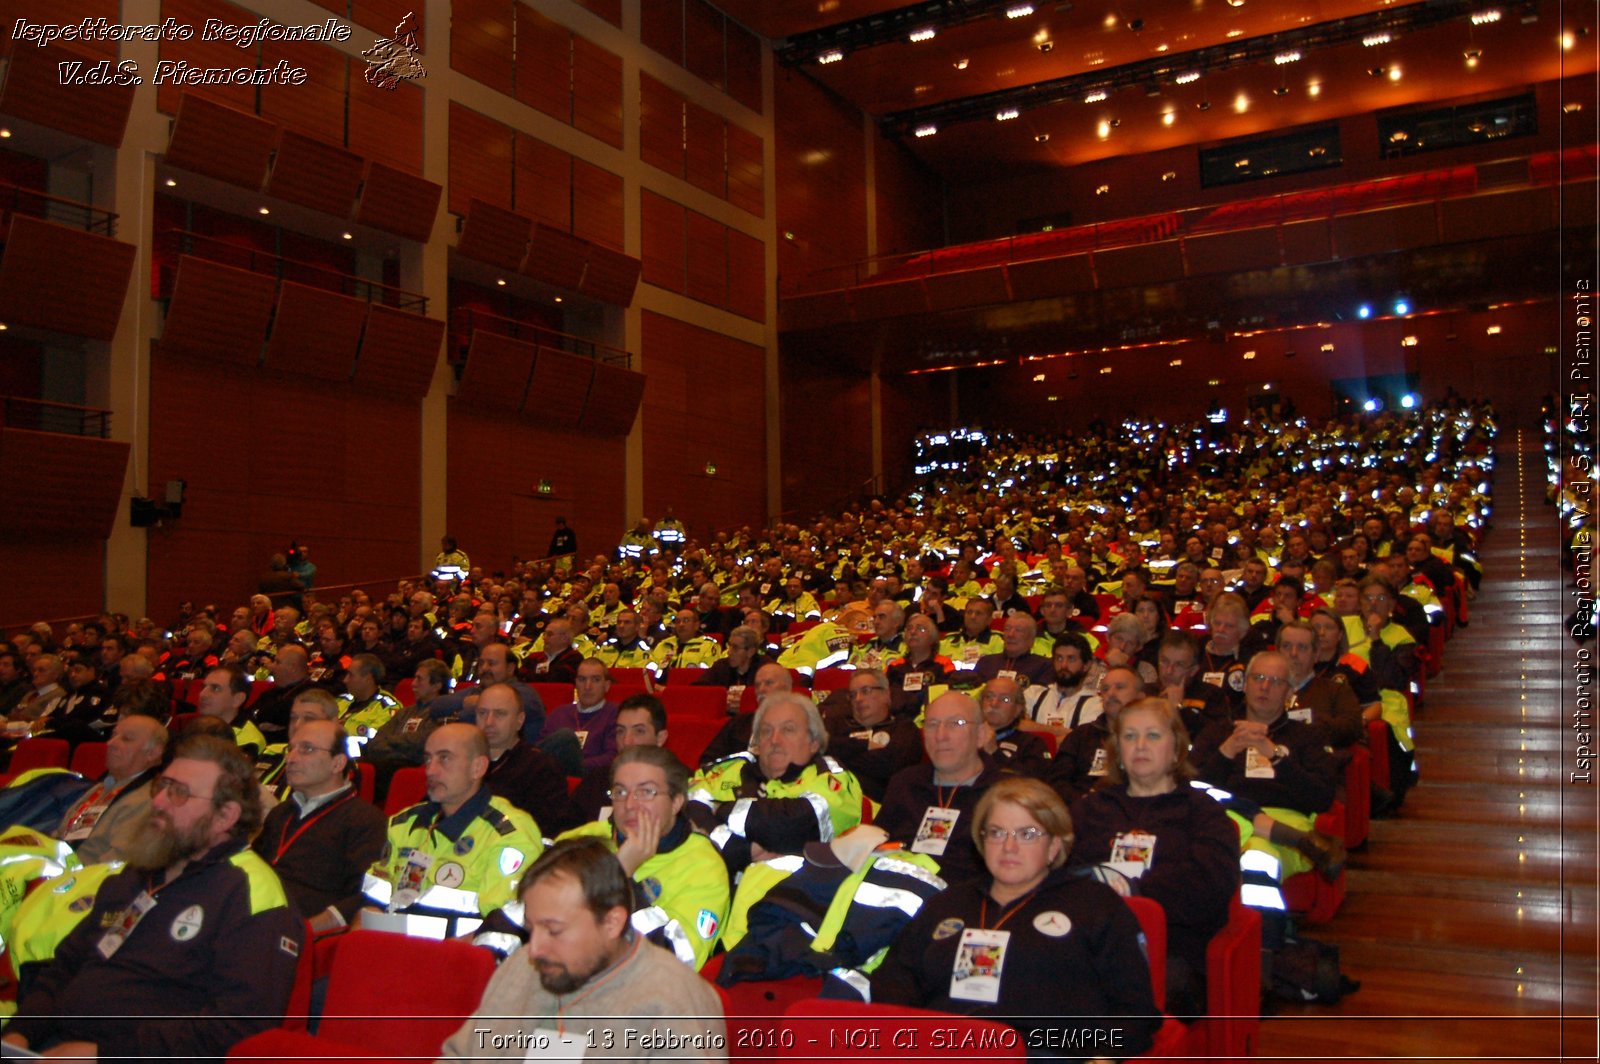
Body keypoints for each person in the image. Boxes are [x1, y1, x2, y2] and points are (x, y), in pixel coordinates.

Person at [3, 735, 304, 1061]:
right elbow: (65, 966)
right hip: (54, 1046)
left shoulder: (252, 892)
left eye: (179, 793)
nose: (159, 801)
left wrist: (102, 1054)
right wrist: (20, 1032)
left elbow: (235, 1028)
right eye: (162, 786)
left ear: (225, 816)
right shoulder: (141, 869)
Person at [871, 776, 1160, 1057]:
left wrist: (1097, 1055)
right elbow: (894, 982)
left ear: (1055, 845)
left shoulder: (1095, 906)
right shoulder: (946, 904)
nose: (1009, 847)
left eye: (1027, 834)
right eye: (997, 832)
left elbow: (1134, 1012)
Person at [434, 837, 725, 1062]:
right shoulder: (522, 967)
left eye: (555, 930)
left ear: (612, 923)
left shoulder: (674, 1002)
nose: (534, 949)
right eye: (531, 928)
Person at [1068, 697, 1238, 1018]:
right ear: (1118, 751)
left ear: (1176, 749)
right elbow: (1061, 873)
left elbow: (1207, 887)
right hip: (1089, 942)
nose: (1140, 745)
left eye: (1153, 736)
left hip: (1172, 951)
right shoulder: (1090, 809)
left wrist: (1128, 887)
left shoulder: (1202, 812)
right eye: (1130, 736)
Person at [362, 723, 546, 943]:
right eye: (428, 759)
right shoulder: (404, 824)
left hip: (465, 965)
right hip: (393, 955)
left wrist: (439, 959)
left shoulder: (510, 834)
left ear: (478, 768)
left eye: (445, 758)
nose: (430, 770)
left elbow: (502, 926)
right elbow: (371, 902)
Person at [555, 746, 729, 970]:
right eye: (620, 792)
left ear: (676, 802)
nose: (630, 805)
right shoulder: (578, 841)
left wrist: (620, 878)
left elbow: (672, 962)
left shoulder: (704, 866)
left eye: (646, 792)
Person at [687, 693, 864, 875]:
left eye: (788, 730)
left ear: (814, 742)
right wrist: (739, 850)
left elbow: (795, 825)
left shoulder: (832, 775)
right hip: (715, 889)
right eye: (766, 730)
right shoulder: (729, 769)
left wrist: (721, 810)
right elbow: (682, 808)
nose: (774, 740)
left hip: (795, 894)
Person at [253, 717, 387, 931]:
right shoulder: (281, 814)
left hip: (306, 937)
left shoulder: (366, 821)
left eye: (307, 749)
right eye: (291, 749)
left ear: (338, 763)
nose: (291, 758)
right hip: (256, 920)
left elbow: (364, 896)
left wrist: (305, 932)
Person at [875, 690, 1003, 886]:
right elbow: (876, 848)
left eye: (955, 724)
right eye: (932, 724)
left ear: (981, 735)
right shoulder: (904, 784)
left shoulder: (1006, 796)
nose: (940, 736)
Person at [56, 715, 169, 865]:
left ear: (152, 753)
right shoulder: (105, 785)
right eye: (114, 735)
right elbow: (61, 834)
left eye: (126, 739)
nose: (111, 743)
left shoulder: (148, 799)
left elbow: (113, 866)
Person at [477, 683, 582, 835]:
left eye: (500, 714)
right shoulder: (461, 764)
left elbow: (550, 831)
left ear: (520, 720)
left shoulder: (541, 769)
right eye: (482, 713)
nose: (489, 722)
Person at [820, 668, 922, 804]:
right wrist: (864, 746)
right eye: (852, 695)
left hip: (881, 805)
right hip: (831, 800)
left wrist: (840, 756)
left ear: (886, 694)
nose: (858, 699)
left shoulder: (903, 728)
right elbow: (818, 747)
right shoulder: (836, 726)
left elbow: (890, 767)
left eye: (866, 691)